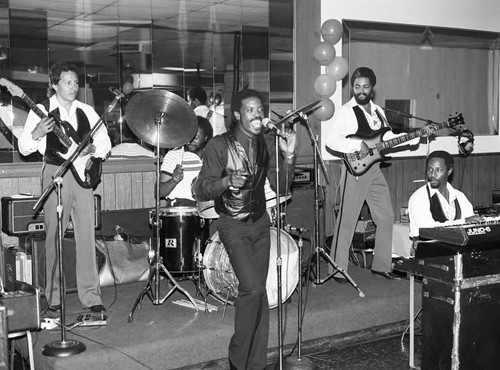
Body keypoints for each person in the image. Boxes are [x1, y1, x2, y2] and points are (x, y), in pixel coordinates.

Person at [194, 89, 296, 370]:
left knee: (260, 293)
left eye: (260, 109)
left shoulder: (266, 143)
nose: (258, 113)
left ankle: (256, 364)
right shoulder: (218, 145)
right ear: (238, 114)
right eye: (251, 109)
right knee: (250, 289)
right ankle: (237, 363)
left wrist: (288, 157)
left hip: (261, 225)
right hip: (232, 225)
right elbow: (200, 188)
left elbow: (281, 187)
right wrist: (226, 181)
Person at [18, 62, 111, 313]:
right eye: (68, 82)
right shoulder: (41, 110)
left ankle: (91, 296)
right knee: (53, 237)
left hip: (82, 176)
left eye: (76, 83)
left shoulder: (87, 111)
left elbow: (105, 142)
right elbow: (24, 147)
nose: (73, 87)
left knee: (86, 236)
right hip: (55, 174)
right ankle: (54, 296)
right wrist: (37, 132)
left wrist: (93, 150)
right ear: (54, 85)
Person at [324, 66, 425, 281]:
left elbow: (386, 139)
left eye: (365, 87)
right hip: (357, 171)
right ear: (352, 87)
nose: (361, 90)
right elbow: (331, 141)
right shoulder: (345, 112)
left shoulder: (378, 111)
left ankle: (381, 265)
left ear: (372, 89)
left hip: (375, 169)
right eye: (357, 86)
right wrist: (356, 145)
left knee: (386, 217)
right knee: (347, 220)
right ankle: (337, 268)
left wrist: (412, 137)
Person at [408, 150, 480, 238]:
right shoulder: (419, 197)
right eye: (430, 169)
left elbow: (471, 225)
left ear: (449, 171)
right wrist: (463, 221)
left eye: (438, 170)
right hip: (428, 248)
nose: (433, 174)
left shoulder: (460, 197)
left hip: (457, 248)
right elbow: (428, 229)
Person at [159, 116, 213, 206]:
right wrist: (174, 180)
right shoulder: (174, 155)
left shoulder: (213, 156)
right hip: (181, 207)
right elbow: (160, 192)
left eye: (196, 138)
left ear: (206, 137)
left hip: (208, 206)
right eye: (190, 136)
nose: (191, 141)